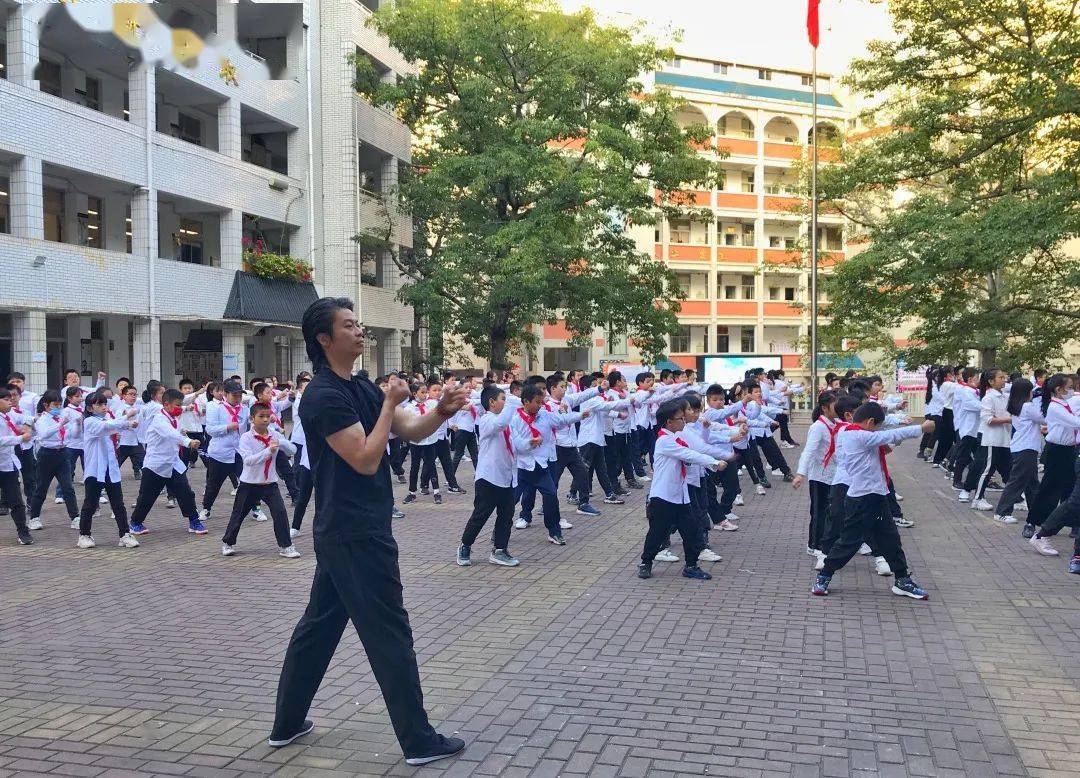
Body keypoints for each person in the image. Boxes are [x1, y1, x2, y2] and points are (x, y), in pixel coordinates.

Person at [270, 297, 468, 766]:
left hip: (353, 528)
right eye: (349, 325)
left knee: (318, 628)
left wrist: (441, 410)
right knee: (389, 632)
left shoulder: (357, 385)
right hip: (354, 531)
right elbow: (364, 457)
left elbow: (411, 431)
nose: (360, 331)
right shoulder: (321, 395)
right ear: (324, 338)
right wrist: (389, 404)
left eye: (359, 323)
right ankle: (418, 740)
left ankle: (286, 723)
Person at [811, 404, 934, 599]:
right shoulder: (853, 434)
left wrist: (895, 439)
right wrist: (921, 428)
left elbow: (885, 441)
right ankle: (824, 576)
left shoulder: (856, 433)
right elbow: (885, 437)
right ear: (869, 422)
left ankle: (902, 580)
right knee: (849, 541)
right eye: (876, 426)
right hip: (861, 498)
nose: (877, 430)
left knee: (891, 540)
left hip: (878, 495)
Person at [636, 399, 726, 581]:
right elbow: (688, 454)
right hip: (664, 496)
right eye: (681, 419)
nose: (684, 421)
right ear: (669, 422)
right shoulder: (664, 441)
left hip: (681, 495)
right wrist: (714, 462)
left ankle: (691, 566)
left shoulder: (678, 439)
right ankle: (646, 562)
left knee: (691, 531)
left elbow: (692, 454)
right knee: (657, 532)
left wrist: (710, 463)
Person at [221, 402, 301, 558]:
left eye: (268, 416)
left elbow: (293, 449)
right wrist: (268, 451)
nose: (265, 420)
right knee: (239, 514)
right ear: (252, 418)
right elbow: (248, 461)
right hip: (249, 484)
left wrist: (281, 442)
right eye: (261, 416)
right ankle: (227, 543)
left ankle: (286, 546)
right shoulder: (246, 437)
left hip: (270, 483)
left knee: (280, 513)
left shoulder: (274, 434)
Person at [456, 384, 519, 567]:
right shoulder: (487, 420)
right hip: (488, 478)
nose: (506, 403)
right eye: (503, 399)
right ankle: (465, 546)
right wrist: (513, 403)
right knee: (481, 515)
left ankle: (500, 550)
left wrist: (529, 444)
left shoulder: (506, 425)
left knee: (506, 516)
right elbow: (500, 422)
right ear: (491, 402)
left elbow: (515, 446)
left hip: (506, 477)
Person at [127, 389, 205, 535]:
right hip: (156, 465)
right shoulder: (159, 419)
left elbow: (177, 431)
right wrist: (188, 441)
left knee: (186, 493)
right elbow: (171, 434)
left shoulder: (174, 417)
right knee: (147, 497)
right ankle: (135, 523)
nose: (179, 408)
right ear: (166, 404)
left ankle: (194, 521)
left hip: (173, 463)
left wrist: (183, 432)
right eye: (177, 405)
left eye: (180, 405)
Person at [76, 391, 141, 549]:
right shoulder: (90, 421)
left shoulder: (107, 418)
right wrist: (127, 420)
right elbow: (105, 428)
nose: (104, 407)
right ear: (90, 408)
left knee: (118, 504)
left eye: (105, 404)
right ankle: (84, 535)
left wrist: (126, 421)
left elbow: (111, 425)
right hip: (95, 469)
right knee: (90, 504)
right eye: (99, 404)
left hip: (110, 469)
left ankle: (124, 534)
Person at [28, 390, 79, 530]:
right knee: (41, 488)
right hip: (47, 455)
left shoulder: (62, 417)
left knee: (68, 487)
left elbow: (73, 435)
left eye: (59, 405)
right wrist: (60, 424)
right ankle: (34, 517)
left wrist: (77, 424)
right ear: (46, 405)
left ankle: (75, 517)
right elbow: (43, 434)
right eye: (55, 405)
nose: (58, 408)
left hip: (63, 453)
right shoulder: (42, 419)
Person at [963, 369, 1012, 511]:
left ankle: (1017, 498)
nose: (1004, 380)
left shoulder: (1003, 396)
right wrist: (1009, 419)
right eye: (1000, 377)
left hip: (1003, 439)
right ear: (991, 381)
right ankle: (977, 498)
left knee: (1008, 470)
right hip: (992, 440)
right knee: (987, 470)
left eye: (1004, 377)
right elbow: (988, 419)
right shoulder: (988, 398)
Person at [996, 379, 1040, 526]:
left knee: (1032, 483)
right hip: (1025, 448)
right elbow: (1044, 418)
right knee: (1017, 481)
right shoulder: (1027, 406)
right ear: (1027, 392)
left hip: (1023, 447)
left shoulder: (1017, 405)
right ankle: (1002, 512)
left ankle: (1037, 513)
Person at [0, 387, 33, 545]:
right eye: (6, 399)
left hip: (8, 465)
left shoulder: (8, 416)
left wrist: (28, 427)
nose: (10, 401)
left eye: (10, 398)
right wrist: (21, 438)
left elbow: (23, 423)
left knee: (17, 502)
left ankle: (23, 531)